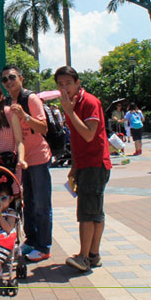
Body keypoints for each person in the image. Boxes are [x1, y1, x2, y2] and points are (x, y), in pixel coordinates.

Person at [56, 66, 111, 272]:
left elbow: (89, 134)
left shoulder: (89, 102)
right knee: (95, 212)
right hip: (86, 164)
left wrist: (69, 112)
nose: (64, 88)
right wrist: (75, 166)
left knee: (87, 213)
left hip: (95, 164)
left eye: (68, 83)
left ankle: (84, 256)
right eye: (60, 85)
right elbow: (78, 141)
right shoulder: (71, 104)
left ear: (78, 83)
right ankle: (93, 254)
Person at [0, 64, 51, 263]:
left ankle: (44, 246)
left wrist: (24, 116)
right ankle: (31, 240)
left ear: (21, 78)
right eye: (4, 79)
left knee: (41, 204)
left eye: (12, 77)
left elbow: (43, 128)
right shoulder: (6, 101)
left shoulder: (31, 98)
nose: (8, 82)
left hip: (38, 157)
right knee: (28, 202)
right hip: (21, 160)